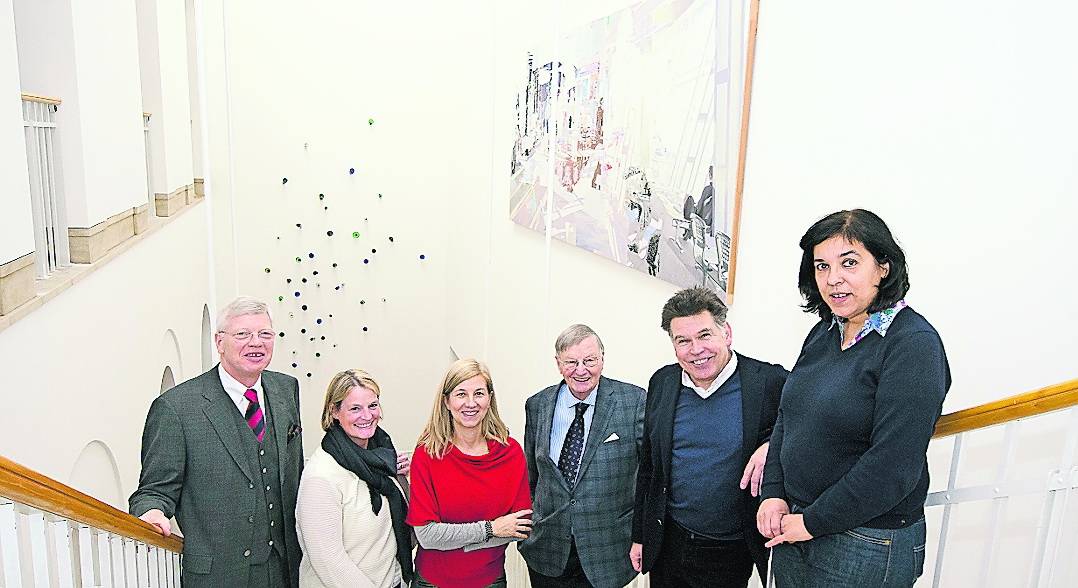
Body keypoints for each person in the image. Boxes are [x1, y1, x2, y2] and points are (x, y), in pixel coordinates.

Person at [758, 209, 950, 587]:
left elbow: (892, 467)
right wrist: (774, 493)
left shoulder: (913, 345)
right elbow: (788, 416)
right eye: (822, 266)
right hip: (795, 526)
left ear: (883, 266)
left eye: (849, 263)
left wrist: (812, 522)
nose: (834, 279)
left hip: (866, 540)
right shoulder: (824, 332)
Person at [130, 296, 303, 588]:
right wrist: (151, 512)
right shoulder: (176, 408)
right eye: (242, 335)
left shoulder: (286, 389)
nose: (255, 343)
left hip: (285, 569)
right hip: (218, 575)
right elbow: (154, 489)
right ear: (219, 342)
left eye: (264, 334)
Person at [632, 287, 788, 587]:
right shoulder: (663, 382)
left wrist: (771, 445)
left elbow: (810, 426)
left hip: (730, 550)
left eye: (705, 335)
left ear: (726, 333)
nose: (696, 350)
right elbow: (649, 467)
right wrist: (640, 537)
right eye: (683, 341)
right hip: (668, 542)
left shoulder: (768, 381)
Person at [520, 325, 645, 588]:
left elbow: (649, 475)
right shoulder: (538, 405)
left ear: (602, 358)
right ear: (558, 363)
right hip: (548, 551)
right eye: (571, 362)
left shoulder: (633, 402)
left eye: (589, 360)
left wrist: (643, 535)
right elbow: (532, 476)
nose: (581, 370)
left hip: (607, 552)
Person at [406, 359, 532, 588]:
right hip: (432, 582)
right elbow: (427, 535)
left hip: (490, 581)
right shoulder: (427, 454)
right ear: (446, 401)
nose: (471, 403)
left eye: (479, 393)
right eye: (461, 394)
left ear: (490, 399)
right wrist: (491, 529)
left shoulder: (510, 453)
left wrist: (459, 540)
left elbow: (520, 526)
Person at [296, 369, 414, 588]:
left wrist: (403, 480)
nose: (367, 416)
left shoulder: (382, 456)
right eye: (355, 409)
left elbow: (406, 530)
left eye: (372, 406)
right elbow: (329, 562)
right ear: (334, 411)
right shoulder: (321, 477)